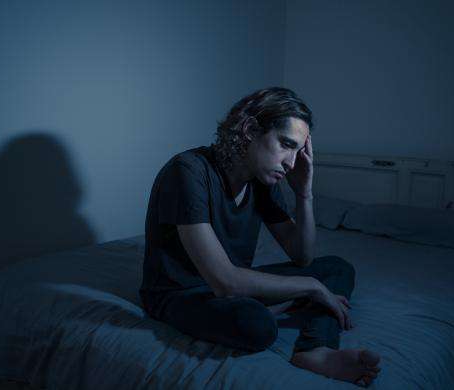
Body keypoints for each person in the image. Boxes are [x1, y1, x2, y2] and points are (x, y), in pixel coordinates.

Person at [139, 87, 380, 387]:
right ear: (251, 130)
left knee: (337, 268)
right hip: (183, 294)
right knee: (256, 324)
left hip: (236, 285)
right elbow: (224, 282)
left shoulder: (262, 182)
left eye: (298, 151)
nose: (292, 163)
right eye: (286, 145)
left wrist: (304, 193)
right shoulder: (188, 172)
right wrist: (311, 288)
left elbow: (301, 256)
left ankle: (315, 349)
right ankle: (289, 304)